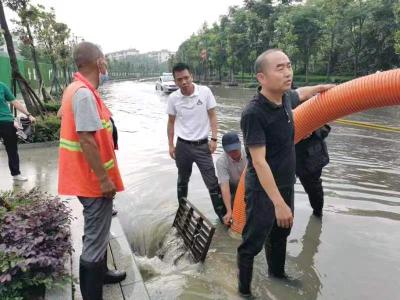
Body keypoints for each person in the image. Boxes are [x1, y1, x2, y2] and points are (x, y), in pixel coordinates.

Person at [237, 49, 335, 297]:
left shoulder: (285, 99)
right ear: (261, 77)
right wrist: (278, 203)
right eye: (279, 68)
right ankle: (244, 292)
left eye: (289, 65)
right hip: (263, 191)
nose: (287, 71)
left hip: (285, 184)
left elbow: (300, 93)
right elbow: (259, 162)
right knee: (252, 243)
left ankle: (277, 275)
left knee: (281, 233)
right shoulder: (253, 113)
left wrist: (324, 88)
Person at [58, 41, 126, 300]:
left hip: (84, 176)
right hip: (92, 181)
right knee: (95, 240)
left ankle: (104, 271)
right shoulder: (84, 94)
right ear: (98, 63)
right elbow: (86, 139)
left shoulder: (77, 88)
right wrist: (104, 180)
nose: (106, 64)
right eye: (104, 60)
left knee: (98, 230)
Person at [166, 62, 226, 222]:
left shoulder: (205, 92)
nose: (184, 82)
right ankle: (181, 213)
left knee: (212, 182)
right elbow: (171, 122)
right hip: (183, 146)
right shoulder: (173, 98)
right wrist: (171, 145)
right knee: (182, 179)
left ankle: (223, 217)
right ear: (175, 81)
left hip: (202, 146)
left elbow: (213, 115)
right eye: (179, 79)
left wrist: (214, 138)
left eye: (186, 77)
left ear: (191, 76)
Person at [0, 81, 35, 181]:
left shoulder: (2, 86)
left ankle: (16, 174)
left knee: (12, 149)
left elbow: (14, 102)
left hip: (6, 121)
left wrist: (28, 115)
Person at [295, 124, 330, 218]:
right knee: (280, 187)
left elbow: (325, 128)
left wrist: (312, 130)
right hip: (283, 154)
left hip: (310, 158)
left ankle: (317, 214)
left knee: (313, 188)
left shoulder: (316, 110)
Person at [216, 132, 247, 225]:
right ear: (225, 150)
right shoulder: (221, 162)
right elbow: (225, 188)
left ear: (240, 144)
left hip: (249, 183)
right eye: (230, 151)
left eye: (236, 149)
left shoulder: (248, 152)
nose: (234, 153)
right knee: (231, 215)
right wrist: (229, 211)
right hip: (232, 186)